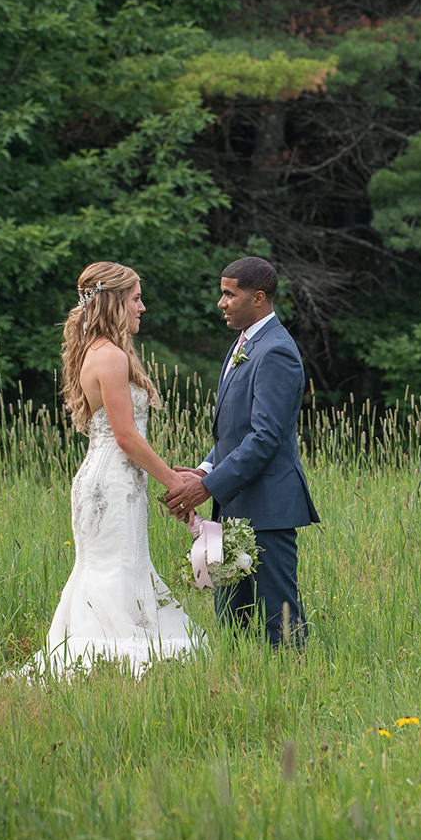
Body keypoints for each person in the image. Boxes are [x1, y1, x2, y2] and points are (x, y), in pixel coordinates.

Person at [39, 261, 205, 676]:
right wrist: (175, 484)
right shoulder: (109, 356)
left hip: (113, 476)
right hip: (111, 481)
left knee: (118, 563)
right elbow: (127, 437)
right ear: (114, 302)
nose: (142, 308)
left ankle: (111, 649)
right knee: (112, 565)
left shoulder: (100, 351)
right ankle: (112, 655)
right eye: (135, 299)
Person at [164, 256, 318, 647]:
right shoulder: (244, 342)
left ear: (259, 298)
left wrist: (209, 487)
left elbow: (265, 438)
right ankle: (240, 689)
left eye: (229, 294)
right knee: (232, 620)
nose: (221, 302)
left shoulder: (276, 351)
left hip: (268, 508)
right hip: (234, 506)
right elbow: (234, 432)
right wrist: (203, 472)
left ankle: (292, 687)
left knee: (278, 618)